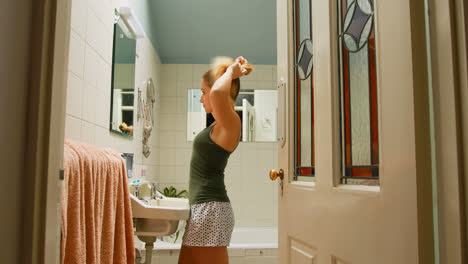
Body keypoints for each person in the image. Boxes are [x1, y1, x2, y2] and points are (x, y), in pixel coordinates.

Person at [178, 56, 253, 264]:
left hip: (210, 211)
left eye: (203, 92)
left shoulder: (231, 123)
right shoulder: (217, 125)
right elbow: (217, 93)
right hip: (203, 210)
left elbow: (219, 93)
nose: (201, 99)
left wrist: (231, 72)